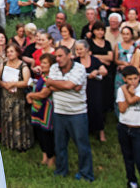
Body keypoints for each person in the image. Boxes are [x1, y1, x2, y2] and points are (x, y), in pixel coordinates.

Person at [46, 46, 94, 182]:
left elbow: (65, 85)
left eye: (61, 56)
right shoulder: (54, 68)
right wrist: (68, 85)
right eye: (56, 56)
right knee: (60, 144)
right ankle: (61, 171)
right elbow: (54, 86)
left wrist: (56, 84)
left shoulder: (79, 68)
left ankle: (86, 174)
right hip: (59, 112)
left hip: (77, 113)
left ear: (69, 55)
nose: (58, 59)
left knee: (82, 145)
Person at [116, 66, 140, 188]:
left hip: (138, 129)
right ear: (124, 79)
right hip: (124, 126)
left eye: (135, 78)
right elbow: (122, 109)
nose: (133, 82)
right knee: (128, 158)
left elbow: (134, 100)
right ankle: (132, 181)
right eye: (130, 79)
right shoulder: (120, 90)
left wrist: (126, 91)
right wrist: (128, 93)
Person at [0, 44, 33, 150]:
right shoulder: (3, 64)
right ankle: (8, 142)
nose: (9, 53)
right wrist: (4, 85)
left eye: (12, 51)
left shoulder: (23, 66)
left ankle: (21, 144)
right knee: (7, 119)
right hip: (6, 98)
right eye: (8, 52)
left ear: (17, 52)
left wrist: (14, 84)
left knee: (18, 120)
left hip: (18, 98)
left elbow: (27, 82)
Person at [26, 53, 56, 168]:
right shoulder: (42, 76)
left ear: (51, 65)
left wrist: (30, 96)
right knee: (39, 132)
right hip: (36, 108)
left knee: (47, 133)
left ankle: (52, 157)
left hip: (46, 109)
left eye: (45, 63)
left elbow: (44, 93)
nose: (42, 65)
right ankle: (45, 156)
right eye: (41, 62)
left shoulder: (51, 78)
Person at [75, 40, 108, 141]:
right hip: (81, 88)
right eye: (77, 49)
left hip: (94, 87)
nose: (79, 51)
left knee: (97, 107)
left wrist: (97, 71)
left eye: (81, 49)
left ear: (87, 49)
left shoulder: (94, 60)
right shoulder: (75, 62)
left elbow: (104, 71)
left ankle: (101, 132)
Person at [114, 26, 137, 113]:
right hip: (121, 72)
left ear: (131, 35)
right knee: (119, 92)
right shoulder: (118, 45)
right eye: (123, 34)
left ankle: (132, 112)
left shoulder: (135, 45)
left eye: (127, 34)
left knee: (131, 90)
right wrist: (123, 63)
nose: (125, 36)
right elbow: (116, 60)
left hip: (132, 72)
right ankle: (119, 113)